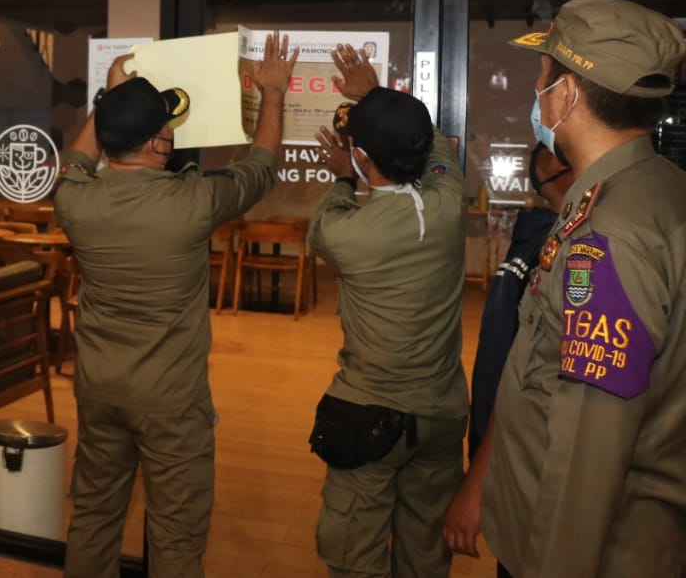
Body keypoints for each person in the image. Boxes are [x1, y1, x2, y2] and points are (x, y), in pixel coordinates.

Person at [54, 32, 298, 578]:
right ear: (156, 144)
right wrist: (274, 93)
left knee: (92, 518)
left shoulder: (73, 200)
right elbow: (260, 167)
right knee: (176, 537)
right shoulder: (192, 202)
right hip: (171, 402)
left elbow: (78, 158)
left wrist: (108, 99)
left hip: (99, 390)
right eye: (166, 126)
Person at [481, 0, 686, 577]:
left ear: (567, 94)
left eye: (544, 75)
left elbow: (587, 456)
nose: (537, 90)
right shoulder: (659, 188)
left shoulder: (608, 234)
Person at [308, 44, 468, 578]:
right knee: (425, 555)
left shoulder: (345, 233)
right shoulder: (448, 203)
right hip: (442, 415)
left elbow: (323, 224)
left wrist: (342, 177)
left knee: (354, 555)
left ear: (361, 156)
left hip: (370, 417)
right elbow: (436, 147)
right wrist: (377, 96)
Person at [442, 143, 574, 568]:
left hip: (534, 458)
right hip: (523, 454)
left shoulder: (548, 243)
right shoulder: (546, 248)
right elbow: (517, 374)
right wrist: (480, 477)